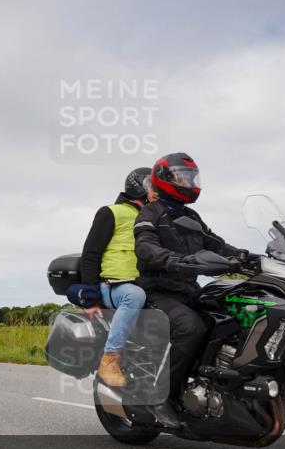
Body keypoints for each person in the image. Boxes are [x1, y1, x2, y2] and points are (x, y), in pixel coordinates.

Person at [134, 153, 246, 426]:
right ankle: (160, 396)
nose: (189, 182)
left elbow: (215, 244)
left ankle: (220, 385)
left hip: (188, 291)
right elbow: (144, 246)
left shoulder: (191, 215)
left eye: (191, 177)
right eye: (183, 176)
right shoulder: (151, 211)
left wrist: (247, 257)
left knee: (234, 318)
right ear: (164, 179)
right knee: (190, 328)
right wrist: (171, 259)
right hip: (157, 291)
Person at [76, 167, 154, 388]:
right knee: (134, 295)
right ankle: (109, 359)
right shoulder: (111, 212)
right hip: (113, 286)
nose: (156, 191)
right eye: (152, 186)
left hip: (143, 283)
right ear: (139, 187)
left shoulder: (153, 218)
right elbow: (90, 254)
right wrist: (90, 298)